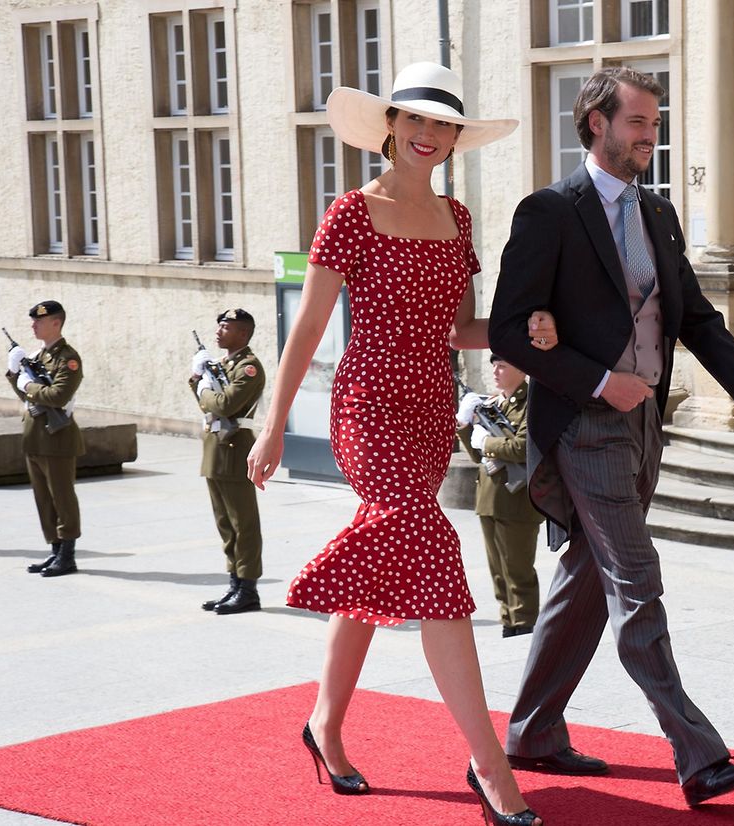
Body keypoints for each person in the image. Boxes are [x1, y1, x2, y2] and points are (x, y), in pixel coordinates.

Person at [245, 62, 553, 826]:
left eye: (444, 125)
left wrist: (534, 332)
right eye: (416, 121)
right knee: (428, 541)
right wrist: (274, 421)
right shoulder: (350, 212)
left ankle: (324, 724)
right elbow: (310, 327)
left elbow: (456, 332)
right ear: (389, 128)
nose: (430, 135)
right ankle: (490, 766)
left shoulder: (460, 219)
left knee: (388, 549)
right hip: (366, 407)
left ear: (454, 138)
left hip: (428, 411)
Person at [488, 67, 734, 808]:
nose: (650, 136)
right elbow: (507, 330)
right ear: (596, 122)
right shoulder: (551, 212)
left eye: (655, 124)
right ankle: (698, 754)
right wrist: (597, 381)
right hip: (585, 424)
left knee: (589, 575)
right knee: (634, 576)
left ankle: (530, 731)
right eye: (637, 123)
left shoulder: (658, 216)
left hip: (645, 425)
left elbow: (695, 319)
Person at [457, 355, 544, 638]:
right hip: (490, 497)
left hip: (517, 501)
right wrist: (465, 425)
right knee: (498, 571)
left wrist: (488, 442)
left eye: (503, 364)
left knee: (518, 570)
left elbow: (523, 447)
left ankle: (524, 625)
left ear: (522, 368)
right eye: (493, 364)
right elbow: (478, 455)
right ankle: (508, 619)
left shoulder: (533, 404)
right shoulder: (494, 405)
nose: (495, 370)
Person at [189, 308, 266, 615]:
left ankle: (248, 588)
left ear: (243, 334)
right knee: (224, 522)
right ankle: (234, 582)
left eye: (226, 327)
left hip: (235, 449)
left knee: (242, 522)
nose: (218, 332)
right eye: (219, 327)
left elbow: (225, 404)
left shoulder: (249, 367)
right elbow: (208, 405)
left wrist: (203, 386)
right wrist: (198, 377)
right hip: (216, 449)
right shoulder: (223, 364)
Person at [5, 300, 86, 578]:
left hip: (58, 438)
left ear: (56, 323)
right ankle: (54, 550)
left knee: (62, 497)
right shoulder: (38, 357)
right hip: (35, 437)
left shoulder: (68, 359)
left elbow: (58, 396)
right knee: (44, 499)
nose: (33, 325)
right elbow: (26, 395)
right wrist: (14, 374)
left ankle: (67, 555)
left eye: (39, 321)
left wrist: (27, 384)